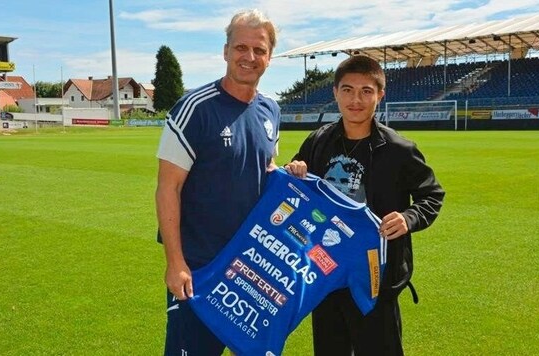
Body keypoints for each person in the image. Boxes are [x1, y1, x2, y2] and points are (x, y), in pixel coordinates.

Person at [285, 55, 445, 356]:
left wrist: (408, 218)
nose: (355, 99)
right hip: (325, 271)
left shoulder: (399, 149)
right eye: (347, 90)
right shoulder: (318, 141)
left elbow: (432, 195)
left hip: (376, 279)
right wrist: (295, 169)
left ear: (380, 95)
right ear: (335, 93)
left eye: (366, 91)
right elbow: (298, 181)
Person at [154, 9, 282, 356]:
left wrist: (288, 172)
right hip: (200, 270)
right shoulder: (194, 107)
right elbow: (168, 188)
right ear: (225, 51)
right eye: (241, 47)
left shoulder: (271, 109)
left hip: (250, 271)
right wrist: (175, 263)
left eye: (259, 50)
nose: (249, 57)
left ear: (270, 57)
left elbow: (264, 168)